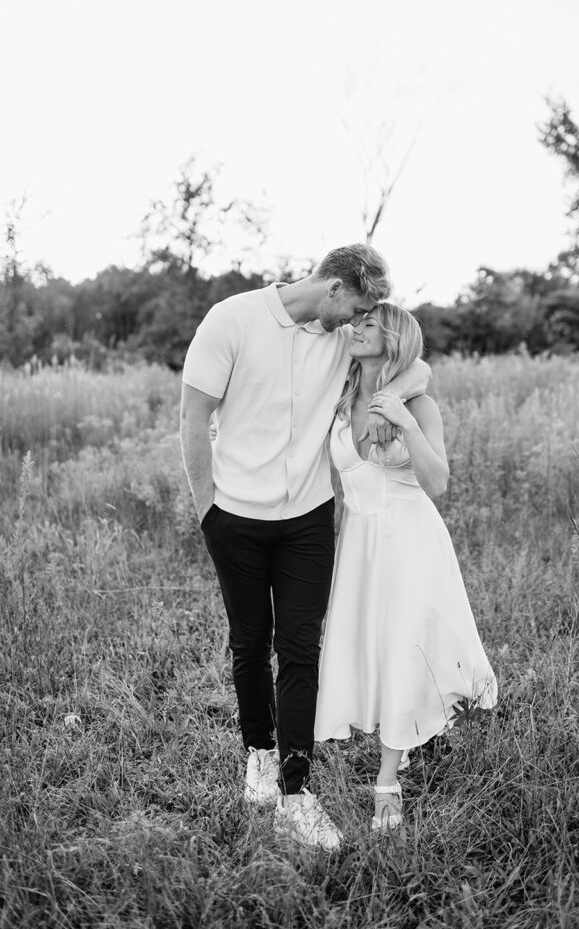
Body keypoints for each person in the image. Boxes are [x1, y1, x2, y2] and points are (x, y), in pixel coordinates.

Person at [179, 245, 430, 852]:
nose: (362, 319)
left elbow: (409, 363)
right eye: (361, 306)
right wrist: (207, 512)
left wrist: (404, 387)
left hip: (309, 519)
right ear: (336, 289)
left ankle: (297, 792)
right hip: (235, 516)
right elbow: (192, 418)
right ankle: (258, 755)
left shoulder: (342, 335)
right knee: (249, 642)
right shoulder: (231, 320)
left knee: (299, 649)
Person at [314, 303, 497, 832]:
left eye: (369, 324)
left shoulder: (420, 404)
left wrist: (403, 422)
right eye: (357, 321)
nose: (356, 328)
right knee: (368, 646)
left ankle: (387, 782)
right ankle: (405, 730)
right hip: (359, 541)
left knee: (403, 646)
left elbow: (438, 481)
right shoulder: (339, 396)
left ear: (392, 339)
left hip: (410, 538)